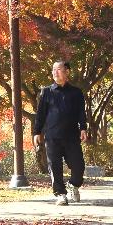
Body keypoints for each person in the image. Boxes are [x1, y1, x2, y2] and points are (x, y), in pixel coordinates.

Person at [33, 60, 88, 206]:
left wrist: (83, 128)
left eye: (58, 69)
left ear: (67, 72)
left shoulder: (76, 92)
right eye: (53, 70)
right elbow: (40, 114)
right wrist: (37, 131)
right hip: (52, 137)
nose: (55, 72)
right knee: (55, 166)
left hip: (71, 136)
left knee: (78, 166)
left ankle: (73, 185)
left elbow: (81, 113)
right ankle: (61, 194)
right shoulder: (46, 92)